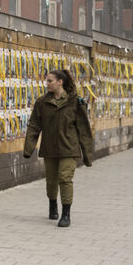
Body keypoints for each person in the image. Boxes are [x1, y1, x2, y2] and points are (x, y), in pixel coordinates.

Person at [23, 69, 93, 228]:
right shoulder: (42, 103)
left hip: (69, 148)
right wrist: (29, 148)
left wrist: (87, 155)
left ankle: (66, 214)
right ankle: (52, 204)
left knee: (65, 178)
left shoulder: (75, 102)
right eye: (47, 81)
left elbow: (84, 130)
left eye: (50, 81)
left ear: (60, 82)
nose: (47, 84)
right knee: (51, 180)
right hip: (49, 148)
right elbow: (34, 125)